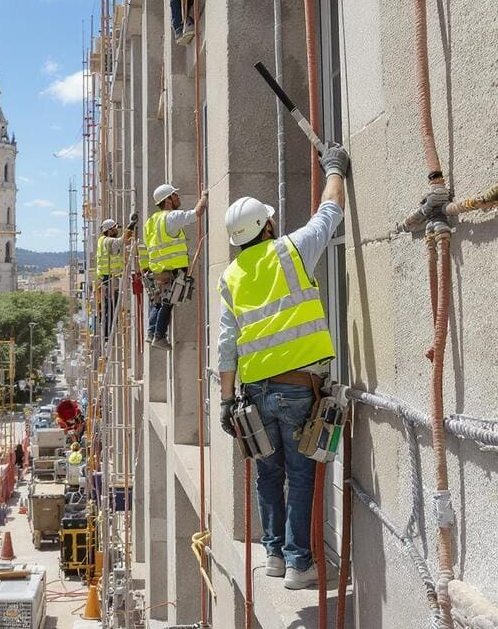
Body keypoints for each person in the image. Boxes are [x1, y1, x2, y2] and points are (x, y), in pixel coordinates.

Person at [217, 143, 350, 590]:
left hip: (254, 393)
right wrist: (334, 168)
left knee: (268, 474)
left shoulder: (231, 277)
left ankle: (274, 555)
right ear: (268, 225)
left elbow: (226, 344)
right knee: (301, 474)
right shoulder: (291, 250)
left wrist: (225, 401)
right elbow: (330, 211)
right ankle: (298, 563)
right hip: (298, 388)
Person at [144, 184, 207, 350]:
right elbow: (197, 213)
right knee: (167, 302)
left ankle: (151, 333)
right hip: (172, 270)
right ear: (168, 200)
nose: (178, 198)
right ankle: (159, 336)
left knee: (158, 302)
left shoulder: (151, 221)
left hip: (157, 270)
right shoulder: (171, 217)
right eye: (175, 195)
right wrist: (205, 196)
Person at [97, 214, 137, 340]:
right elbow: (122, 241)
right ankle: (107, 334)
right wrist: (131, 226)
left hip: (107, 278)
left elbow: (122, 244)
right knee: (111, 308)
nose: (117, 230)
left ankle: (107, 333)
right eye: (115, 228)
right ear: (109, 230)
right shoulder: (108, 241)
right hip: (110, 279)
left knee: (110, 307)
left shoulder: (103, 241)